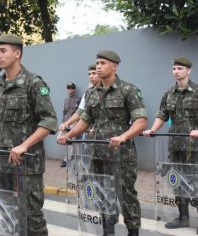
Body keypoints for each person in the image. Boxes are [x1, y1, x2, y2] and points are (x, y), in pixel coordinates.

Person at [0, 33, 58, 235]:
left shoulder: (33, 83)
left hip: (27, 164)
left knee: (31, 217)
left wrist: (25, 145)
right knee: (7, 211)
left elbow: (49, 121)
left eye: (3, 51)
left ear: (17, 53)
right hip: (4, 161)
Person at [58, 50, 147, 236]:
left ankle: (133, 232)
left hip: (122, 155)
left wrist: (124, 136)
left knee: (126, 195)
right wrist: (70, 135)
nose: (98, 66)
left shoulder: (128, 90)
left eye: (103, 63)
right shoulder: (92, 92)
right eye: (97, 63)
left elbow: (141, 121)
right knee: (103, 193)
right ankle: (108, 231)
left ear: (114, 66)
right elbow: (85, 120)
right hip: (98, 154)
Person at [143, 56, 198, 230]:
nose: (176, 71)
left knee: (195, 180)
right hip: (175, 145)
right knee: (178, 181)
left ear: (189, 71)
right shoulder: (168, 93)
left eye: (180, 68)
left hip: (194, 147)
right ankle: (183, 218)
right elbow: (162, 114)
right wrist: (153, 129)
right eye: (174, 69)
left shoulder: (196, 91)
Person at [58, 64, 100, 167]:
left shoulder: (114, 90)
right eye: (89, 74)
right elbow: (81, 111)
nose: (91, 76)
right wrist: (66, 123)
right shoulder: (88, 92)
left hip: (105, 136)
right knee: (86, 159)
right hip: (88, 132)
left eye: (94, 73)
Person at [59, 82, 80, 167]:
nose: (70, 89)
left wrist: (77, 123)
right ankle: (70, 157)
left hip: (74, 123)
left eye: (72, 87)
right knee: (61, 139)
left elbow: (79, 112)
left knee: (71, 141)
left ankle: (66, 159)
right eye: (68, 88)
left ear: (74, 89)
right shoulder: (66, 100)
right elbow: (64, 112)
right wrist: (62, 123)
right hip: (66, 123)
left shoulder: (79, 99)